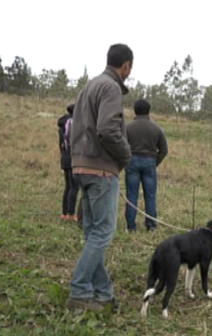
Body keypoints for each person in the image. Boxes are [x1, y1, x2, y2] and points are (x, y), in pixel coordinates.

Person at [66, 44, 133, 311]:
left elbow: (77, 128)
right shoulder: (111, 87)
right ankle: (80, 291)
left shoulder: (89, 87)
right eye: (130, 68)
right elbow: (107, 129)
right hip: (101, 168)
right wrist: (125, 156)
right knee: (102, 233)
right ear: (126, 65)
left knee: (93, 233)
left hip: (80, 166)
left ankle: (103, 294)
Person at [125, 99, 168, 232]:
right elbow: (164, 150)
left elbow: (122, 146)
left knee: (132, 195)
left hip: (132, 161)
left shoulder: (128, 127)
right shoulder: (157, 128)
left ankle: (131, 227)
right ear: (149, 111)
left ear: (135, 110)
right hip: (150, 162)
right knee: (150, 196)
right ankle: (151, 226)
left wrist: (126, 161)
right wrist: (155, 163)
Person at [57, 104, 79, 222]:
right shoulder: (73, 123)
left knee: (68, 186)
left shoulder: (63, 124)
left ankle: (64, 213)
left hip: (64, 157)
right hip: (73, 157)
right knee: (74, 187)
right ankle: (71, 214)